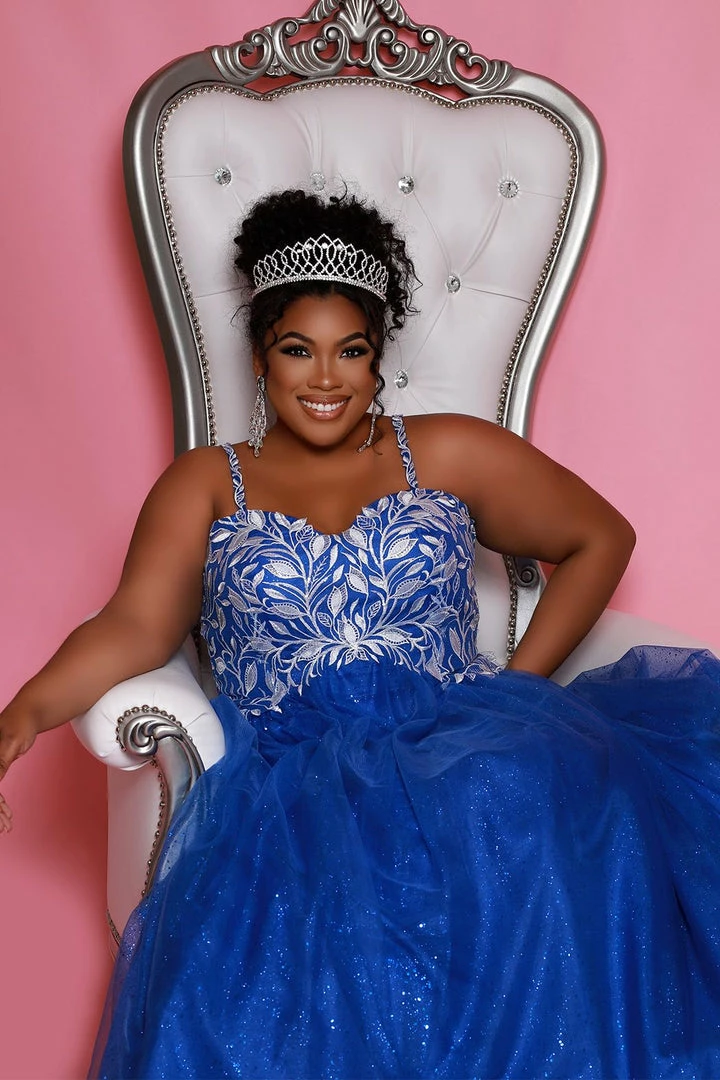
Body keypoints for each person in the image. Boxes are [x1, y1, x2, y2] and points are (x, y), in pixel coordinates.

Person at [1, 187, 720, 1079]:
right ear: (260, 357)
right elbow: (134, 625)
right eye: (297, 350)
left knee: (521, 795)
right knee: (311, 922)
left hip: (463, 742)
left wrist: (521, 689)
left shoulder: (445, 451)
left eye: (352, 351)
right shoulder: (208, 482)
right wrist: (24, 713)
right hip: (292, 773)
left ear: (379, 360)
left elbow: (599, 537)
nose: (326, 378)